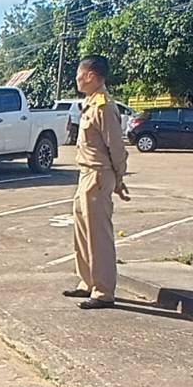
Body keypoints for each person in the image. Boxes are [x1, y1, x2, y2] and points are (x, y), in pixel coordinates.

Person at [64, 55, 129, 309]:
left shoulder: (104, 106)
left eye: (79, 74)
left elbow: (116, 147)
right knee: (82, 232)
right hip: (86, 174)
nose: (77, 79)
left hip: (98, 176)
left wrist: (119, 178)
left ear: (91, 76)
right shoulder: (90, 103)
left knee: (98, 236)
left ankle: (103, 292)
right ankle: (88, 282)